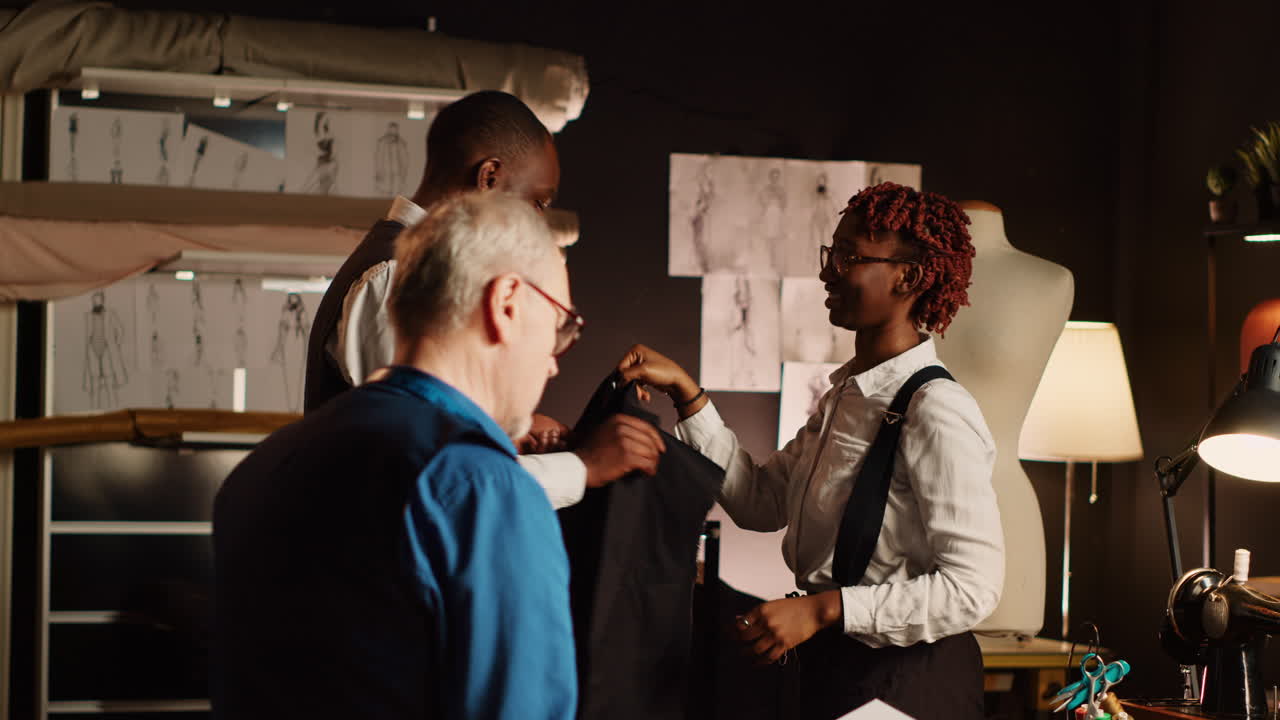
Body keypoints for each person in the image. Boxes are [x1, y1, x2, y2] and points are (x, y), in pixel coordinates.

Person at [215, 192, 638, 719]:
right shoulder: (484, 490)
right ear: (507, 302)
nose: (553, 363)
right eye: (560, 326)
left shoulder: (262, 468)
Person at [617, 182, 1004, 719]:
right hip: (836, 668)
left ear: (909, 278)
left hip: (909, 681)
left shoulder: (936, 409)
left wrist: (822, 610)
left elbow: (971, 588)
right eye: (831, 253)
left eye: (849, 257)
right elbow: (760, 502)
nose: (828, 273)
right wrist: (688, 395)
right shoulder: (846, 397)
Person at [304, 90, 657, 509]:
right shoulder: (393, 279)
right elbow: (433, 475)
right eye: (537, 203)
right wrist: (582, 468)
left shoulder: (414, 271)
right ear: (488, 178)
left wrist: (507, 431)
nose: (537, 222)